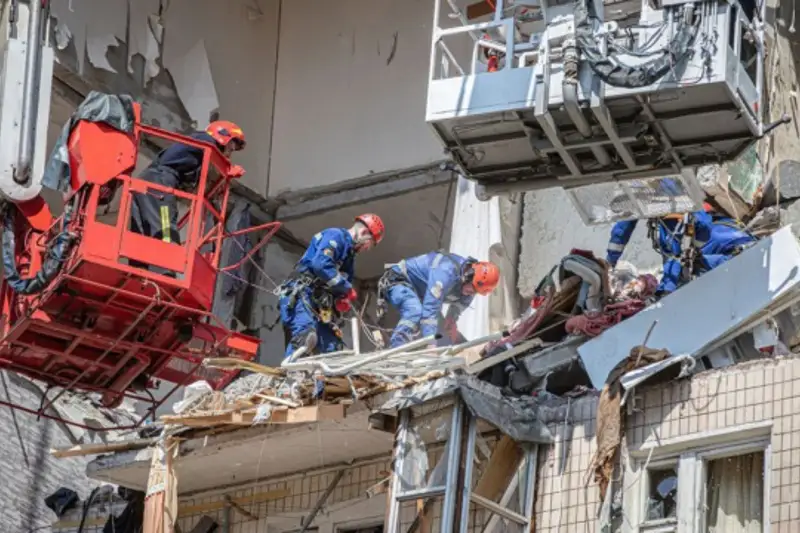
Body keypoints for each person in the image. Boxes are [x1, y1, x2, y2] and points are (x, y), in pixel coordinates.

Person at [279, 214, 385, 359]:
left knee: (332, 349)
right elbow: (321, 265)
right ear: (364, 233)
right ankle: (292, 377)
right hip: (302, 293)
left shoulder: (349, 256)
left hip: (321, 302)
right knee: (306, 337)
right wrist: (346, 288)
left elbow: (341, 279)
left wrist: (341, 299)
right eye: (369, 243)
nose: (366, 249)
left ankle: (320, 381)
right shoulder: (335, 236)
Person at [130, 121, 246, 247]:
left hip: (149, 180)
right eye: (232, 144)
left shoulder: (195, 147)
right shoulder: (206, 140)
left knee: (143, 230)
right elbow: (214, 159)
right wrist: (228, 168)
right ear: (223, 135)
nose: (231, 149)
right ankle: (168, 256)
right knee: (166, 229)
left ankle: (141, 264)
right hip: (160, 183)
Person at [606, 202, 756, 295]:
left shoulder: (679, 226)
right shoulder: (691, 212)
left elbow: (678, 260)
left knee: (690, 266)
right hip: (745, 252)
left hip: (740, 259)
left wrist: (665, 291)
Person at [377, 252, 500, 348]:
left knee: (442, 333)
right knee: (415, 311)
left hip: (421, 293)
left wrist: (451, 319)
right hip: (399, 280)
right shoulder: (445, 271)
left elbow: (458, 306)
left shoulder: (472, 284)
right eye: (472, 289)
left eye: (476, 292)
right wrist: (431, 345)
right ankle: (396, 350)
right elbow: (430, 310)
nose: (471, 294)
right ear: (468, 276)